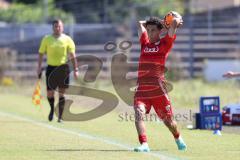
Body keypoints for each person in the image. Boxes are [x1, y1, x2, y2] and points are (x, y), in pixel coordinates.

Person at [133, 11, 187, 152]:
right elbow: (140, 23)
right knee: (138, 112)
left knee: (168, 122)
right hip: (142, 89)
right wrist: (155, 23)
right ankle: (144, 144)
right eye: (148, 30)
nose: (149, 33)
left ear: (160, 31)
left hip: (158, 90)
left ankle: (177, 137)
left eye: (153, 30)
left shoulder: (165, 44)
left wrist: (170, 23)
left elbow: (174, 22)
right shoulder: (144, 43)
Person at [37, 19, 78, 122]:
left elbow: (72, 55)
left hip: (63, 69)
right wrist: (38, 67)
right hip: (51, 68)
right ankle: (51, 110)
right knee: (50, 94)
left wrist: (76, 69)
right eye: (56, 26)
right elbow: (41, 53)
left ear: (62, 27)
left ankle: (60, 116)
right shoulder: (47, 39)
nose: (58, 28)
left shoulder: (67, 39)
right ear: (53, 28)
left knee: (62, 94)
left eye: (59, 26)